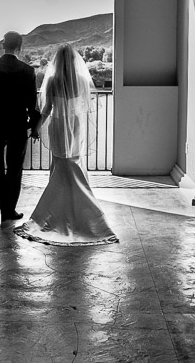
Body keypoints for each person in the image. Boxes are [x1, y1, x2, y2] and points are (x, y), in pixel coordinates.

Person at [14, 44, 118, 246]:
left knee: (61, 163)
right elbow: (86, 107)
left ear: (57, 62)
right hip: (76, 125)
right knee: (74, 162)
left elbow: (46, 109)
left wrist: (35, 128)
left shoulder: (53, 81)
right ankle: (81, 209)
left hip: (59, 125)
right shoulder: (80, 80)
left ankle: (59, 209)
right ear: (73, 61)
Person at [0, 31, 40, 224]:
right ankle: (9, 210)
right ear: (19, 47)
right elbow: (32, 103)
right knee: (14, 168)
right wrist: (33, 126)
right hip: (17, 126)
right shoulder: (27, 70)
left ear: (3, 45)